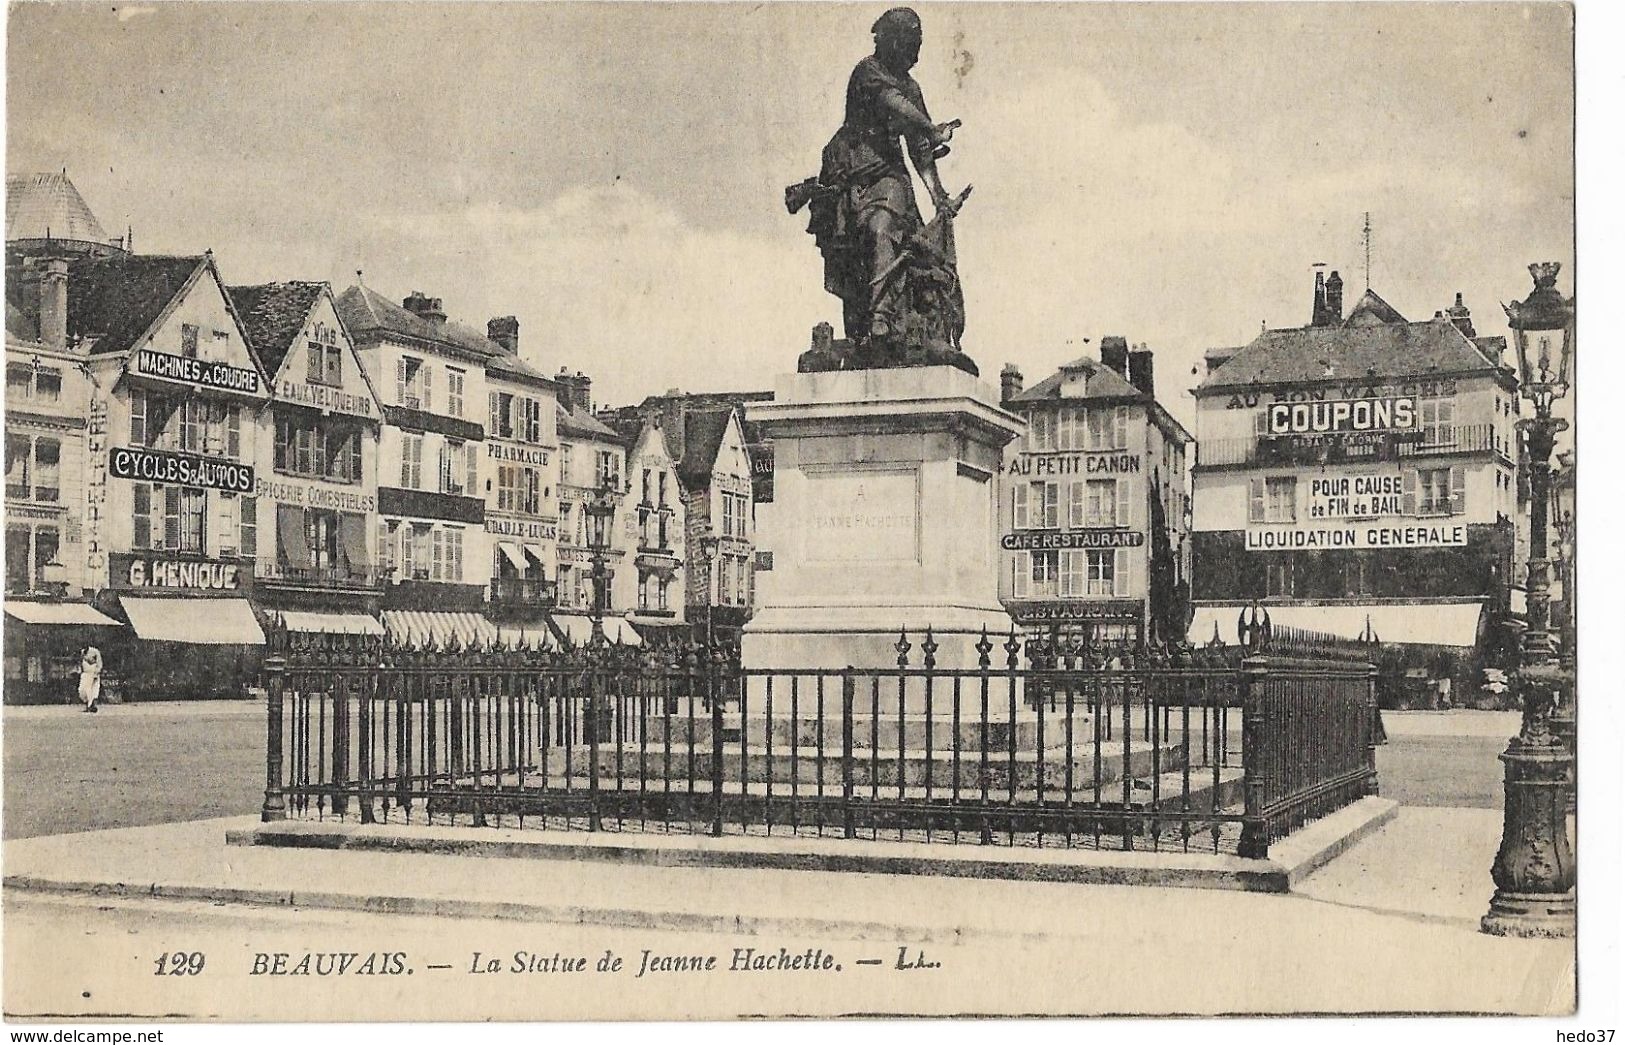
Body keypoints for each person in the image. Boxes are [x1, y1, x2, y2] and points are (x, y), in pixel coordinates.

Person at [809, 7, 961, 346]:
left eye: (918, 47)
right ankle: (861, 326)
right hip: (847, 170)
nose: (916, 56)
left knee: (881, 229)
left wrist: (939, 196)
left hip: (888, 172)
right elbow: (891, 103)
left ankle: (882, 318)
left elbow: (920, 150)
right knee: (850, 253)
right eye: (911, 47)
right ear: (891, 42)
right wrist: (930, 127)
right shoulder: (868, 72)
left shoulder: (912, 87)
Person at [78, 644, 103, 713]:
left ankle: (91, 706)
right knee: (82, 690)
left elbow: (99, 663)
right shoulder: (82, 652)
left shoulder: (95, 651)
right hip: (85, 673)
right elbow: (81, 662)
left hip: (93, 672)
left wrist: (96, 673)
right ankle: (88, 705)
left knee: (93, 690)